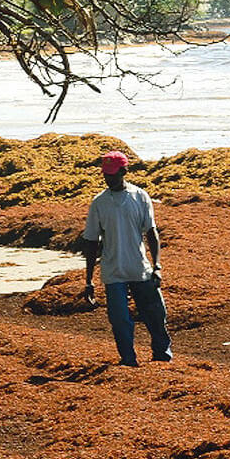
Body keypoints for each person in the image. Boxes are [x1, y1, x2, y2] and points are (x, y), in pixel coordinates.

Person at [82, 150, 173, 367]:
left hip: (139, 268)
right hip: (113, 272)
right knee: (120, 320)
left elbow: (151, 232)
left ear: (124, 171)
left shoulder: (140, 196)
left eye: (113, 174)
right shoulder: (99, 203)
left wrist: (157, 265)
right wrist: (88, 280)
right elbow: (91, 242)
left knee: (156, 314)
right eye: (106, 174)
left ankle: (162, 356)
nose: (108, 178)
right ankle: (128, 359)